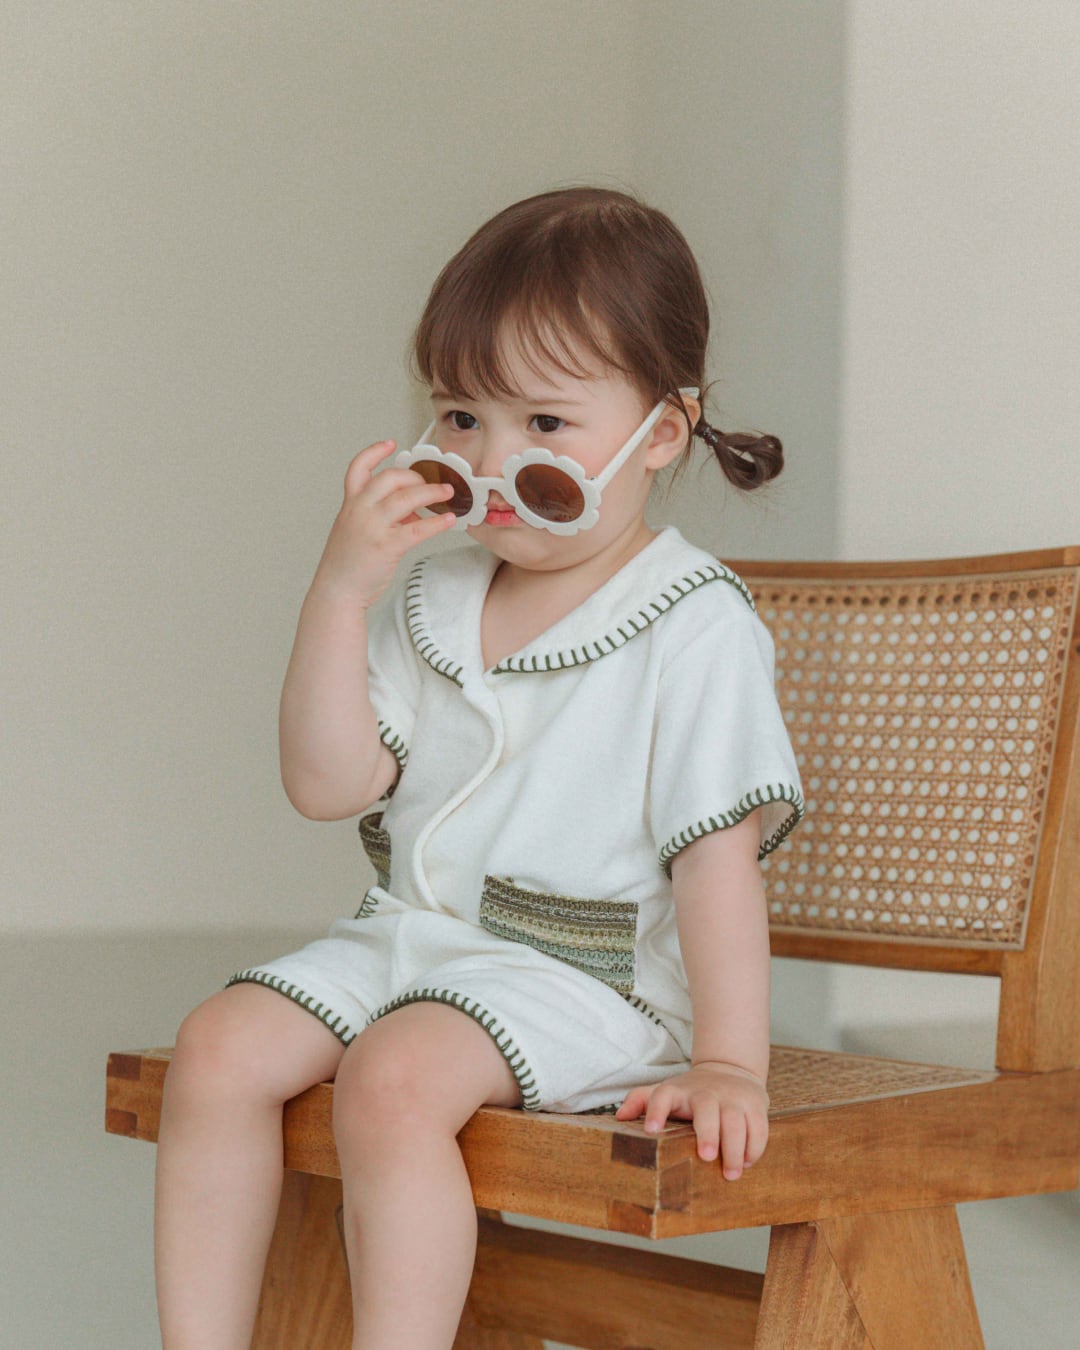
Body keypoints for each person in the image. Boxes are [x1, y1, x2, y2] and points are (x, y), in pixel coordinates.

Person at [153, 185, 806, 1349]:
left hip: (589, 982)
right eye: (460, 417)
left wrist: (728, 1063)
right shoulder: (437, 594)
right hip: (415, 945)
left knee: (395, 1079)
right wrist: (341, 590)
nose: (494, 463)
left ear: (662, 433)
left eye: (545, 424)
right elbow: (325, 786)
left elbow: (717, 862)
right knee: (215, 1049)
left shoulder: (693, 621)